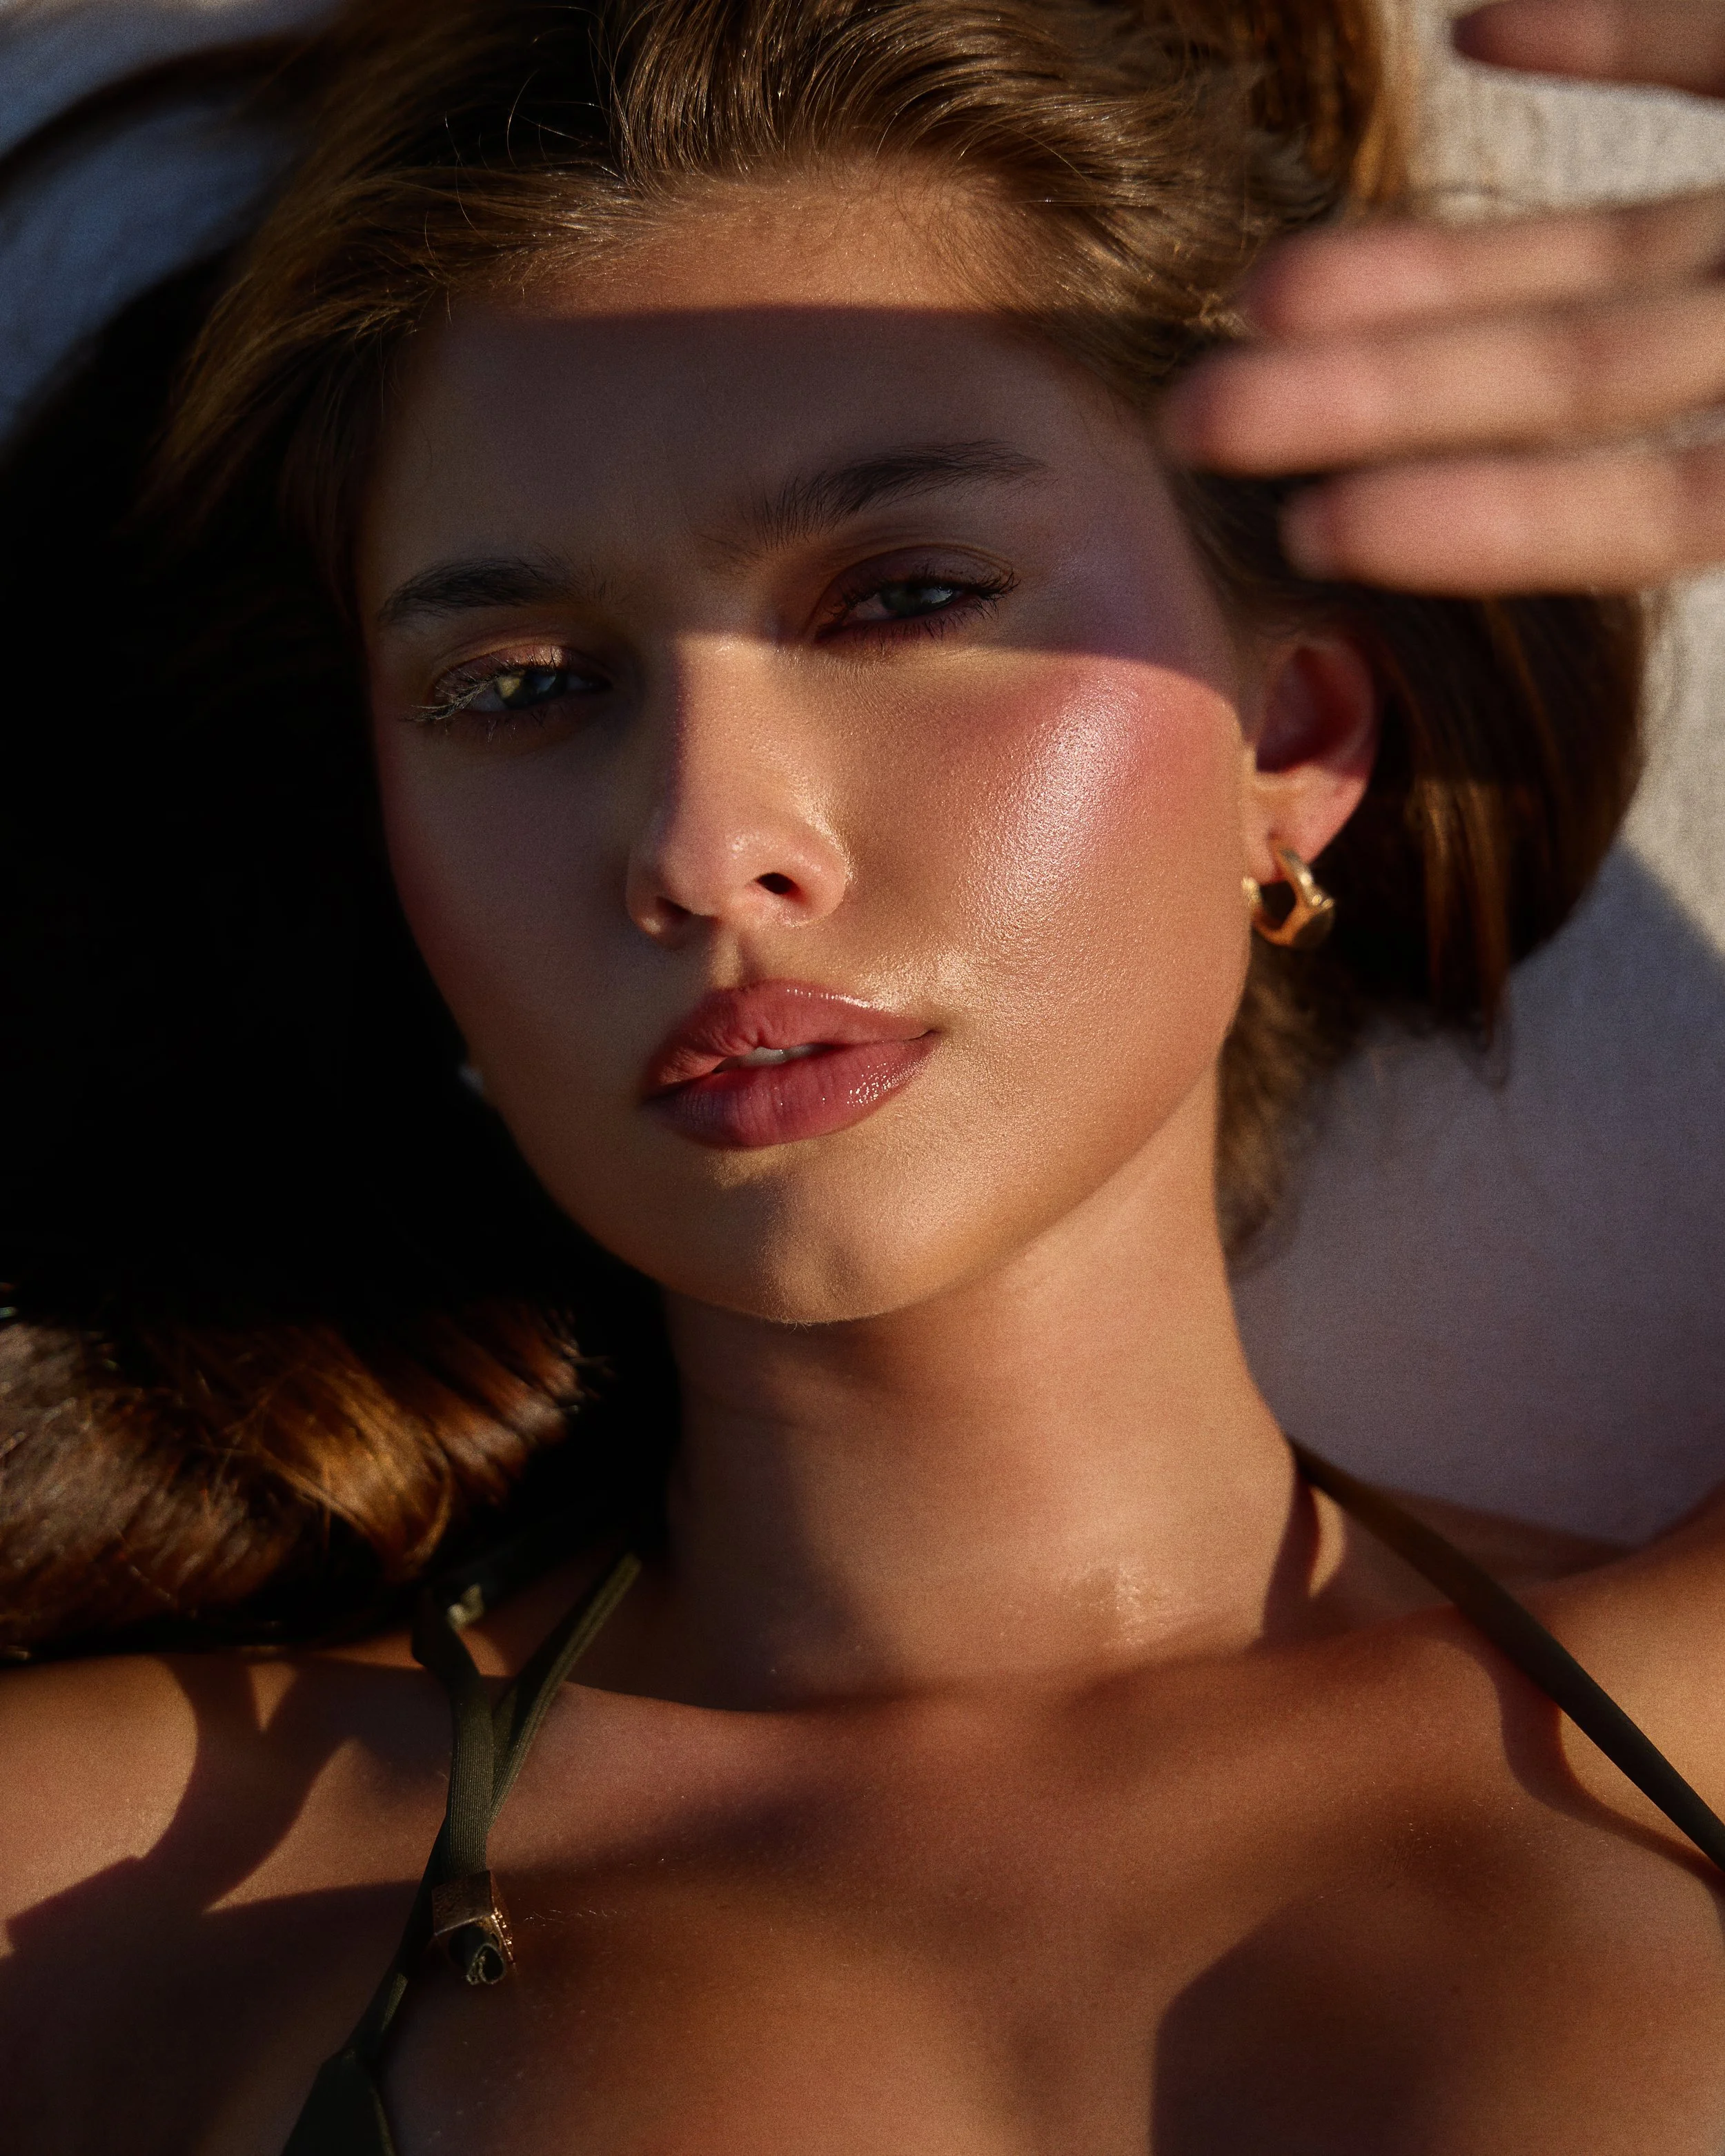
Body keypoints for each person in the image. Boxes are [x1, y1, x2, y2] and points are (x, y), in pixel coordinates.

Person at [0, 0, 1722, 2148]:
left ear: (1288, 743)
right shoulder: (87, 1888)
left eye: (903, 593)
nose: (703, 841)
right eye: (517, 683)